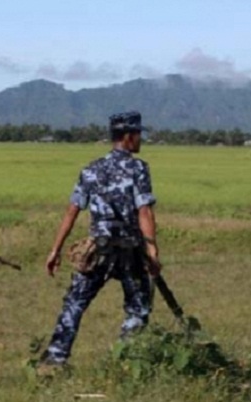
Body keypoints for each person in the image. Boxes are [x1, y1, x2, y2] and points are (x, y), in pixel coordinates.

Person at [37, 111, 162, 368]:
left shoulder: (91, 170)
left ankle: (54, 359)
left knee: (74, 303)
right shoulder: (138, 168)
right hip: (130, 251)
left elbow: (72, 210)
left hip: (97, 250)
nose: (141, 140)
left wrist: (55, 250)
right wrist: (152, 249)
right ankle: (127, 360)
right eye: (138, 134)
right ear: (128, 137)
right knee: (138, 308)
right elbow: (144, 212)